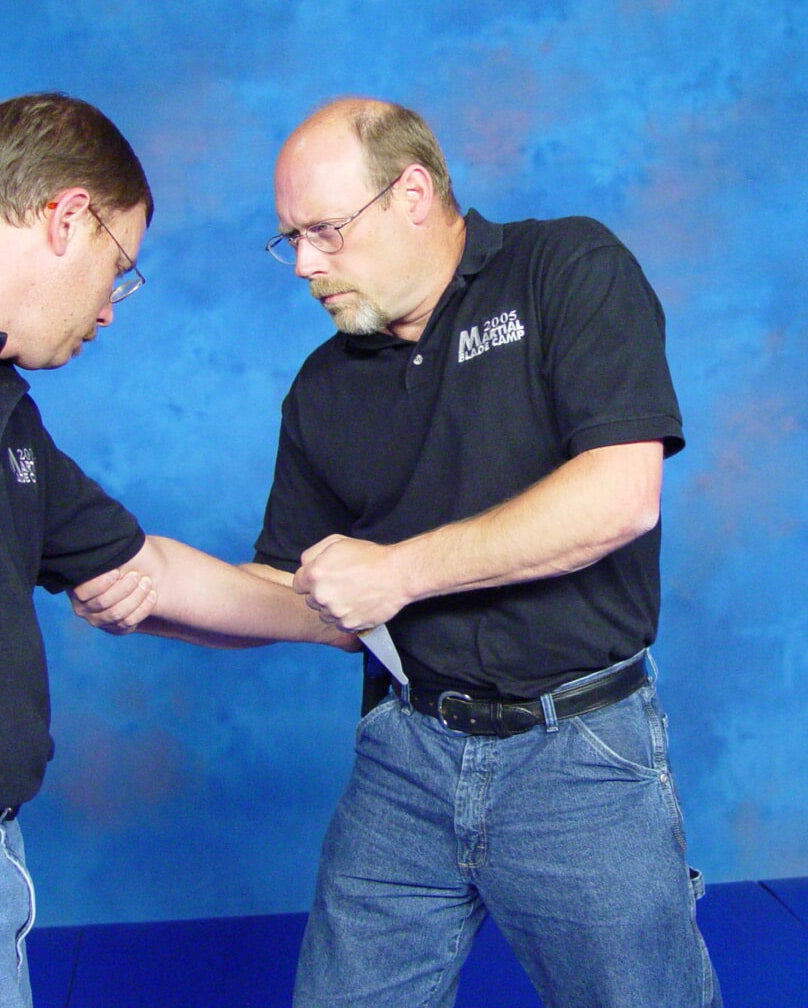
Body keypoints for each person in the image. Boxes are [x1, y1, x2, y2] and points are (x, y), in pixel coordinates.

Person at [0, 92, 352, 1008]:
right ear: (67, 218)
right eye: (119, 270)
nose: (108, 312)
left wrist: (352, 622)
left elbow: (151, 575)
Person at [247, 97, 722, 1007]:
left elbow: (621, 496)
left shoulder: (566, 267)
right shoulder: (321, 387)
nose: (306, 265)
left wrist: (396, 571)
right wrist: (146, 582)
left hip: (579, 751)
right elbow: (297, 594)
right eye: (290, 241)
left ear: (413, 192)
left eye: (325, 231)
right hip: (405, 754)